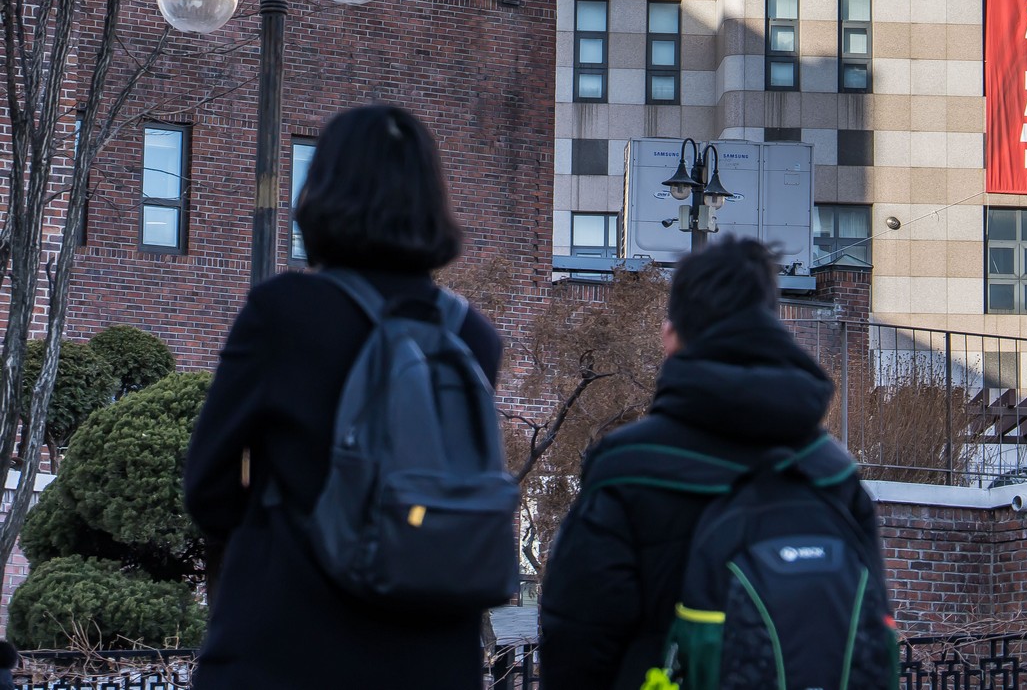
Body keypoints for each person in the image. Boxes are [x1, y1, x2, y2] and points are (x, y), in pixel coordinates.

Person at [183, 103, 504, 690]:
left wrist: (266, 538)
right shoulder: (472, 337)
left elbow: (207, 483)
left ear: (323, 191)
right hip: (433, 656)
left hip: (287, 642)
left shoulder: (283, 314)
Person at [538, 235, 891, 690]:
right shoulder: (832, 471)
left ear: (671, 337)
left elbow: (577, 640)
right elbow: (875, 626)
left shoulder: (629, 467)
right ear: (771, 327)